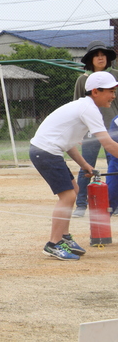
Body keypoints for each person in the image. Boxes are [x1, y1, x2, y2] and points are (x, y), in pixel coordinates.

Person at [29, 71, 118, 261]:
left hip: (46, 151)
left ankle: (64, 238)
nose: (113, 96)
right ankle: (53, 244)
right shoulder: (89, 109)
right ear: (95, 91)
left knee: (74, 190)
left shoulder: (84, 107)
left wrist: (85, 165)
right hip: (45, 152)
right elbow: (108, 144)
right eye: (110, 91)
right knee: (68, 196)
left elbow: (69, 144)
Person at [71, 41, 118, 218]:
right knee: (86, 166)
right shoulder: (82, 80)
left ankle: (114, 205)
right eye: (96, 55)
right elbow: (77, 106)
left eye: (103, 54)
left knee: (114, 166)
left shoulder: (115, 77)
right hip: (90, 131)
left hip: (112, 130)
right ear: (90, 59)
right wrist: (78, 132)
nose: (100, 57)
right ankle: (81, 204)